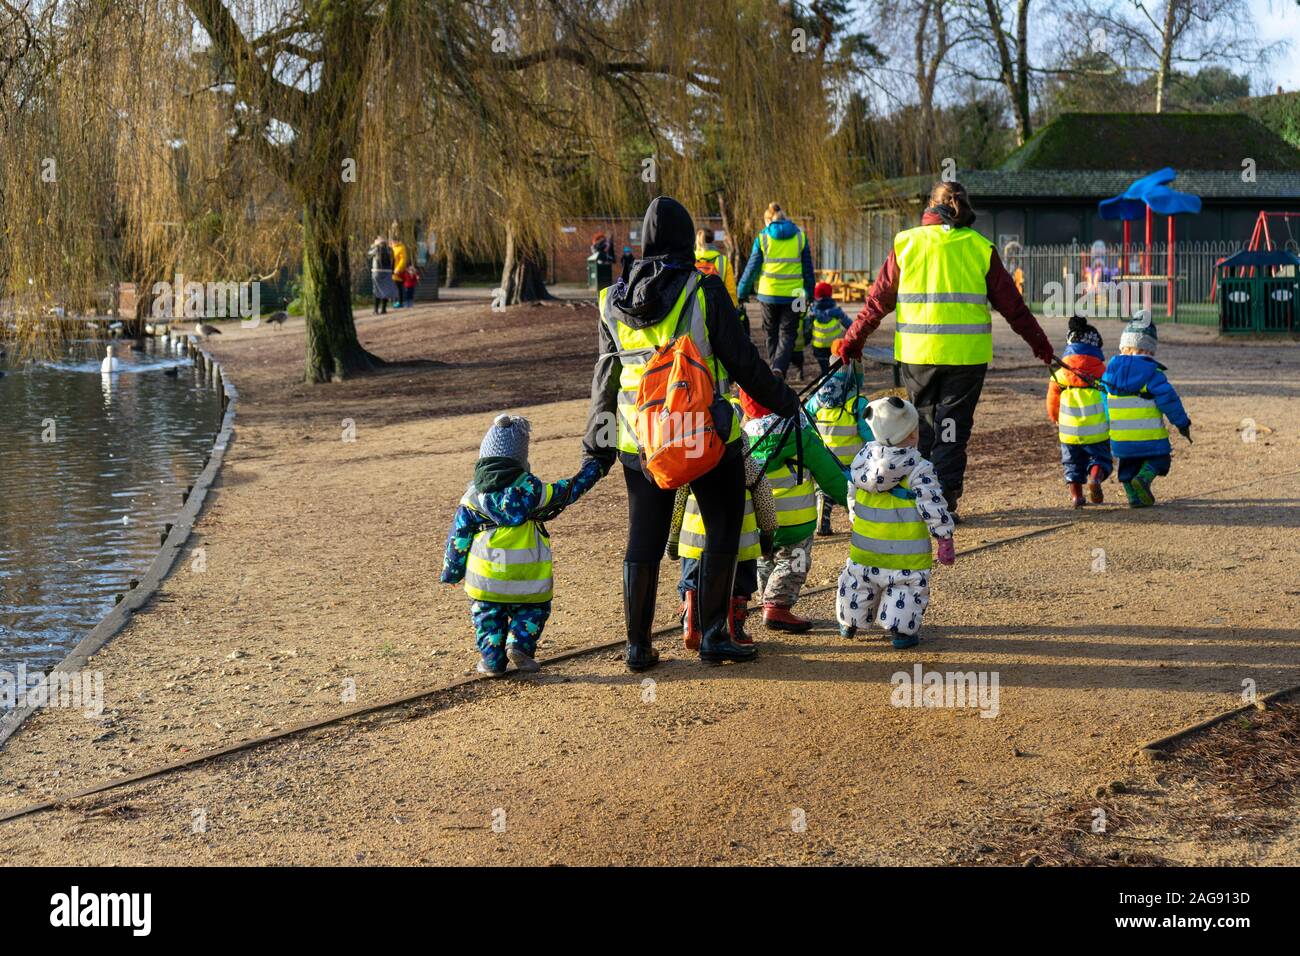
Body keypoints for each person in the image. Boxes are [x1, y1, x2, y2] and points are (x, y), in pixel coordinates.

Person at [583, 196, 798, 671]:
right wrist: (786, 400)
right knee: (722, 523)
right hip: (703, 433)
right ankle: (715, 636)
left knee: (644, 536)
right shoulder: (705, 290)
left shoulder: (610, 300)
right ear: (685, 239)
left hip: (638, 440)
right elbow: (743, 363)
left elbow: (605, 382)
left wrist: (595, 446)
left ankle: (638, 647)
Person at [838, 181, 1054, 522]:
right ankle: (944, 499)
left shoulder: (906, 243)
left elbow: (879, 300)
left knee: (921, 424)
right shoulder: (979, 247)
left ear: (929, 207)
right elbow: (1014, 308)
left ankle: (918, 494)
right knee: (952, 426)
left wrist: (853, 339)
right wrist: (1040, 346)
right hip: (965, 358)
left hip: (917, 354)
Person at [441, 415, 603, 675]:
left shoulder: (472, 498)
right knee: (532, 611)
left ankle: (492, 661)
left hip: (486, 580)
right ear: (520, 460)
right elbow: (570, 490)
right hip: (528, 580)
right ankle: (520, 645)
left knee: (487, 617)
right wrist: (595, 467)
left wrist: (452, 572)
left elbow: (458, 540)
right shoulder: (535, 493)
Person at [837, 396, 955, 649]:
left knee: (857, 583)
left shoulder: (863, 460)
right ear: (912, 435)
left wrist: (854, 514)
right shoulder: (919, 468)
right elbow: (932, 504)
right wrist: (944, 536)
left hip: (865, 548)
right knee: (906, 591)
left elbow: (851, 491)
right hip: (906, 556)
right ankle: (900, 631)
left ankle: (850, 621)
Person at [739, 387, 848, 633]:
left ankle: (768, 599)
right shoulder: (800, 436)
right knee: (794, 563)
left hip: (757, 521)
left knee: (765, 559)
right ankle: (777, 606)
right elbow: (829, 475)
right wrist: (853, 501)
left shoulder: (742, 439)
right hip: (796, 521)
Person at [668, 441, 777, 648]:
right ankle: (735, 630)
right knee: (738, 584)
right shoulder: (740, 445)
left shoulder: (691, 442)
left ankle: (692, 621)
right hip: (738, 538)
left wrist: (673, 536)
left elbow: (680, 494)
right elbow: (762, 491)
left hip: (694, 537)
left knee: (692, 580)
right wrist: (767, 534)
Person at [1103, 311, 1191, 508]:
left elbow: (1104, 402)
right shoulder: (1152, 374)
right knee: (1160, 460)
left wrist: (1107, 424)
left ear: (1123, 348)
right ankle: (1143, 479)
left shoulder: (1109, 373)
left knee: (1127, 467)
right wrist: (1182, 423)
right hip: (1150, 436)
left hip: (1120, 437)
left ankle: (1134, 498)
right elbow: (1170, 401)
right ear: (1150, 351)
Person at [736, 202, 816, 379]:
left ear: (768, 220)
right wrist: (810, 294)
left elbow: (752, 268)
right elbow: (808, 270)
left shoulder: (763, 237)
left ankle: (775, 371)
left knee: (770, 333)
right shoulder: (800, 237)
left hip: (768, 294)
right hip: (796, 296)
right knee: (789, 334)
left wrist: (741, 292)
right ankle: (779, 368)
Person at [1046, 315, 1111, 508]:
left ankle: (1076, 497)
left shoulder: (1060, 374)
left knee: (1072, 464)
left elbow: (1052, 401)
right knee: (1100, 458)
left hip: (1068, 430)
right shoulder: (1103, 373)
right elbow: (1111, 399)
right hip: (1097, 428)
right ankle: (1095, 478)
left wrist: (1055, 417)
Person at [806, 352, 873, 534]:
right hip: (852, 460)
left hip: (826, 458)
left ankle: (823, 508)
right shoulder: (857, 401)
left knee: (825, 487)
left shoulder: (818, 398)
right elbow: (868, 432)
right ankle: (857, 519)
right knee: (853, 492)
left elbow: (806, 417)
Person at [807, 280, 851, 376]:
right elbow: (849, 325)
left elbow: (807, 328)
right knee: (834, 367)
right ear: (830, 295)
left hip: (818, 345)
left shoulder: (812, 312)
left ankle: (825, 375)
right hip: (835, 345)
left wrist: (807, 339)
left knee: (824, 368)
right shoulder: (836, 311)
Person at [695, 228, 738, 306]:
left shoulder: (689, 260)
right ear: (713, 240)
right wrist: (734, 309)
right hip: (718, 308)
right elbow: (731, 290)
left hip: (695, 308)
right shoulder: (723, 261)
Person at [367, 236, 397, 314]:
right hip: (388, 271)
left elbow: (368, 254)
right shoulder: (390, 249)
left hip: (377, 271)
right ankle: (383, 309)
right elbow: (393, 261)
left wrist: (373, 246)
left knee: (376, 289)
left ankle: (375, 310)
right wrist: (392, 271)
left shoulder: (376, 248)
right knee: (385, 289)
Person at [390, 235, 409, 308]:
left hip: (397, 271)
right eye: (392, 241)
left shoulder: (401, 248)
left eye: (394, 241)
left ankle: (400, 302)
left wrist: (398, 268)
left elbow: (403, 260)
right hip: (392, 271)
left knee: (398, 287)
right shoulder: (392, 248)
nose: (393, 242)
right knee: (395, 287)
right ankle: (396, 301)